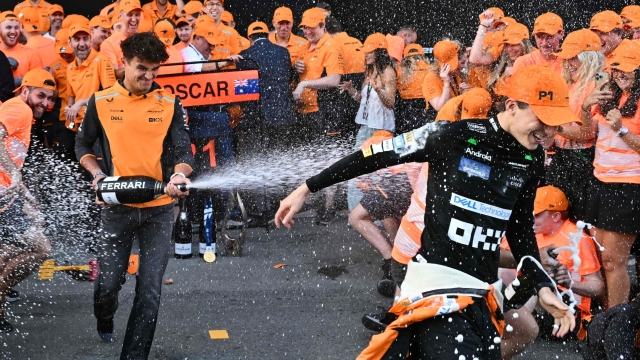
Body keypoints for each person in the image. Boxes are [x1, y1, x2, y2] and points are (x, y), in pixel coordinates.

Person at [276, 65, 577, 358]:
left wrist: (542, 285)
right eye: (542, 119)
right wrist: (307, 188)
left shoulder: (532, 157)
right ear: (512, 106)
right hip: (434, 284)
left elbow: (521, 229)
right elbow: (373, 156)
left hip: (482, 292)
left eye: (556, 123)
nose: (549, 131)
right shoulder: (450, 135)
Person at [74, 32, 193, 358]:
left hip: (158, 209)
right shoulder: (101, 102)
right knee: (109, 285)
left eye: (154, 70)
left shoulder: (169, 103)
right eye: (141, 68)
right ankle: (105, 315)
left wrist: (180, 174)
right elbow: (82, 145)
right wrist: (97, 174)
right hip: (116, 208)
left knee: (150, 290)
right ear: (123, 63)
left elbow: (184, 149)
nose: (149, 76)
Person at [361, 85, 493, 333]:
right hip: (424, 227)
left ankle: (400, 324)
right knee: (408, 275)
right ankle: (397, 318)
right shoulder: (473, 139)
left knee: (415, 279)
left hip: (430, 229)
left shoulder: (455, 142)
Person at [499, 186, 605, 359]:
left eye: (537, 215)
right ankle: (497, 321)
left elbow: (599, 288)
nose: (531, 219)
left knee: (540, 276)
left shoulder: (577, 238)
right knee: (506, 271)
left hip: (566, 315)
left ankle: (504, 325)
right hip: (527, 307)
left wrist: (571, 282)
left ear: (556, 216)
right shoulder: (527, 231)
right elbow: (500, 264)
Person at [0, 68, 56, 333]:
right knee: (41, 248)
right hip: (1, 198)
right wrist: (13, 172)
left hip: (6, 196)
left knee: (10, 251)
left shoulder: (19, 111)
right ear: (25, 92)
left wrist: (23, 190)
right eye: (40, 95)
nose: (45, 103)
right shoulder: (19, 109)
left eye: (49, 98)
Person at [586, 39, 640, 309]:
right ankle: (606, 320)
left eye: (626, 69)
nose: (619, 74)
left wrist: (622, 130)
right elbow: (587, 134)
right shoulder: (610, 94)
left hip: (629, 185)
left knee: (614, 261)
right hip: (602, 182)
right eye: (616, 69)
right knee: (601, 258)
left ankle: (615, 322)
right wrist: (587, 107)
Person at [544, 29, 607, 220]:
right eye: (566, 58)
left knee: (578, 219)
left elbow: (588, 133)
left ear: (589, 58)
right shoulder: (568, 83)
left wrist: (553, 128)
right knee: (553, 215)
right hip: (562, 157)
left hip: (584, 161)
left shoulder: (600, 82)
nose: (568, 63)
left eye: (574, 58)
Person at [347, 130, 415, 298]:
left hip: (398, 181)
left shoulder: (369, 146)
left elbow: (363, 180)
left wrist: (364, 184)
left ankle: (389, 260)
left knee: (356, 217)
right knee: (384, 210)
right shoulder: (396, 144)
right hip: (409, 183)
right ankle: (399, 262)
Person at [338, 33, 395, 213]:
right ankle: (357, 211)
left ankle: (379, 214)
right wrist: (351, 90)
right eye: (365, 51)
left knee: (378, 172)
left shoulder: (388, 72)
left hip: (380, 130)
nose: (366, 54)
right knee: (357, 169)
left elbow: (391, 103)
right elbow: (363, 101)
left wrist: (379, 89)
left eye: (369, 51)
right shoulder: (369, 71)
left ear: (379, 51)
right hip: (365, 127)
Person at [236, 21, 296, 152]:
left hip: (258, 116)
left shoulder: (244, 55)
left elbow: (243, 90)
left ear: (250, 38)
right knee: (283, 155)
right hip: (283, 113)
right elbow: (288, 78)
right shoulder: (283, 52)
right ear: (268, 35)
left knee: (259, 157)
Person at [293, 7, 344, 139]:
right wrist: (296, 68)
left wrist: (303, 84)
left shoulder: (331, 47)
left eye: (311, 27)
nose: (307, 31)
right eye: (304, 27)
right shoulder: (305, 47)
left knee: (326, 156)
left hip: (324, 113)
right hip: (304, 112)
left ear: (323, 25)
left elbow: (334, 80)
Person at [65, 23, 117, 135]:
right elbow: (71, 98)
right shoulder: (69, 68)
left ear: (90, 40)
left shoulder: (102, 61)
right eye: (77, 39)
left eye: (85, 39)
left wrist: (82, 102)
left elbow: (111, 97)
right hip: (79, 126)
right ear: (69, 42)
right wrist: (69, 108)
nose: (82, 44)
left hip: (100, 125)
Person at [325, 17, 364, 137]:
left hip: (341, 84)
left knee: (338, 127)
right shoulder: (356, 41)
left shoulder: (331, 44)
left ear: (326, 30)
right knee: (356, 122)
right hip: (360, 83)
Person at [422, 39, 469, 118]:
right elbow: (440, 107)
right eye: (462, 62)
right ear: (449, 62)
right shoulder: (431, 77)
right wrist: (446, 83)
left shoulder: (457, 75)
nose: (465, 66)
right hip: (438, 125)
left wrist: (463, 95)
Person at [101, 0, 143, 79]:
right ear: (120, 16)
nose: (134, 19)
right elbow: (114, 74)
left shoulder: (144, 39)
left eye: (137, 15)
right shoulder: (109, 43)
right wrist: (140, 67)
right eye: (129, 15)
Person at [49, 28, 75, 157]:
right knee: (63, 155)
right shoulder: (54, 67)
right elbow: (52, 96)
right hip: (63, 117)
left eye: (67, 51)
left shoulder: (88, 63)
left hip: (84, 116)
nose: (65, 54)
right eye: (61, 51)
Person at [0, 11, 43, 88]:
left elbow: (39, 83)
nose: (13, 31)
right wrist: (4, 65)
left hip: (22, 99)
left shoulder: (31, 53)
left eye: (16, 28)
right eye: (8, 27)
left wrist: (20, 81)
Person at [395, 44, 430, 133]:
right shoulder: (430, 68)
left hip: (405, 108)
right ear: (423, 55)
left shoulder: (399, 69)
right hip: (425, 107)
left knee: (406, 140)